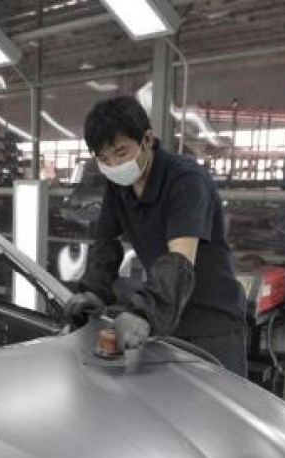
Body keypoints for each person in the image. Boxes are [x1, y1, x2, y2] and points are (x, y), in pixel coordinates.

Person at [64, 95, 247, 376]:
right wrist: (94, 291)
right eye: (103, 159)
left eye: (121, 153)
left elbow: (179, 260)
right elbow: (106, 243)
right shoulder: (119, 186)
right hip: (167, 321)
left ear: (147, 139)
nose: (113, 165)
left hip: (211, 326)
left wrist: (144, 312)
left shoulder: (186, 181)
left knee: (215, 415)